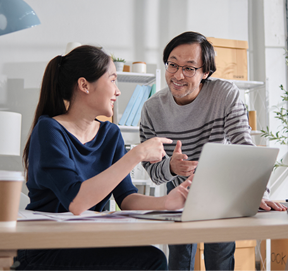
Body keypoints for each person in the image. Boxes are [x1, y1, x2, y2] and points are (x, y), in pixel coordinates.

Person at [14, 45, 193, 271]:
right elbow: (76, 202)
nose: (117, 91)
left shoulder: (110, 134)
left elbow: (126, 197)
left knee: (153, 256)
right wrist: (136, 154)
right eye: (112, 80)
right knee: (151, 261)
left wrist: (166, 203)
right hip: (46, 249)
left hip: (86, 243)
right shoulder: (49, 130)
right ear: (84, 85)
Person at [140, 31, 287, 271]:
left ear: (205, 72)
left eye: (189, 68)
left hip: (222, 187)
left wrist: (257, 192)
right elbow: (153, 172)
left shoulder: (225, 94)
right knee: (179, 258)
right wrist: (171, 166)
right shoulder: (151, 109)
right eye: (172, 65)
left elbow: (244, 146)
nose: (178, 75)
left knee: (219, 259)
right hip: (179, 187)